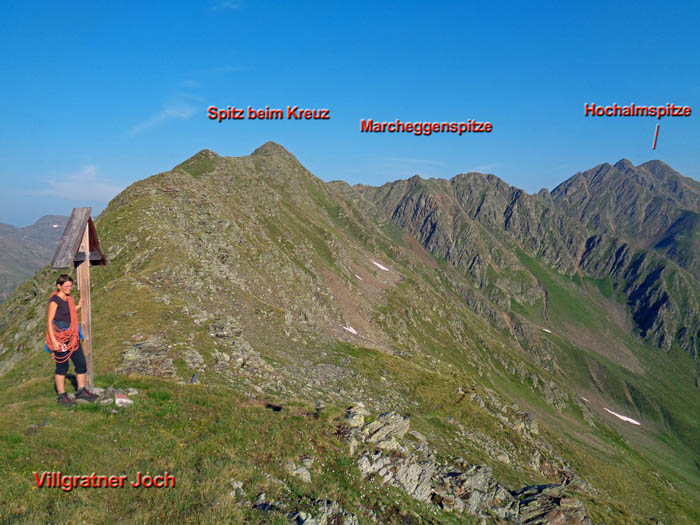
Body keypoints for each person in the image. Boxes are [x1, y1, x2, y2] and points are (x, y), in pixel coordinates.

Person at [46, 274, 98, 405]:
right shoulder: (54, 300)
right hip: (60, 337)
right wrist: (54, 341)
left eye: (71, 285)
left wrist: (78, 307)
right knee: (62, 366)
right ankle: (61, 396)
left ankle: (81, 391)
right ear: (59, 286)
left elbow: (68, 313)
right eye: (67, 286)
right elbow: (49, 321)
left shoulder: (68, 299)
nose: (70, 288)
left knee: (81, 363)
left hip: (72, 337)